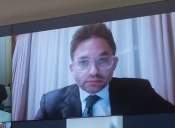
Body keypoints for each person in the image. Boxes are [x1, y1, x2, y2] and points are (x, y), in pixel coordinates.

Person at [35, 23, 175, 120]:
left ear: (114, 64)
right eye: (83, 62)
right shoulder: (51, 103)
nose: (93, 72)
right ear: (72, 69)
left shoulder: (140, 91)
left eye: (102, 60)